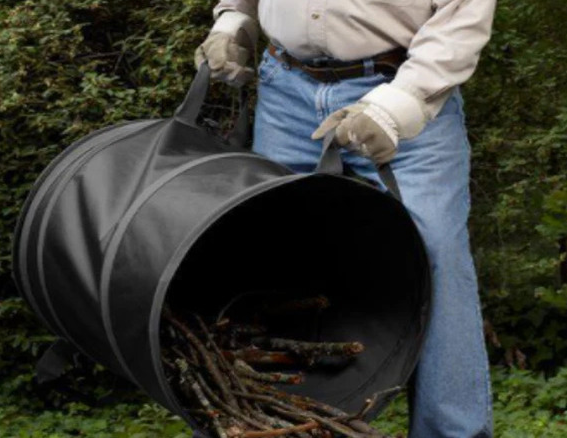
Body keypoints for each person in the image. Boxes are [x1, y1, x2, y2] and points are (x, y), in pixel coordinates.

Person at [194, 1, 497, 437]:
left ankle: (453, 432)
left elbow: (462, 16)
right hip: (286, 91)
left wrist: (402, 102)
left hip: (404, 86)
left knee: (436, 258)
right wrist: (233, 16)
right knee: (271, 263)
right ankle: (275, 424)